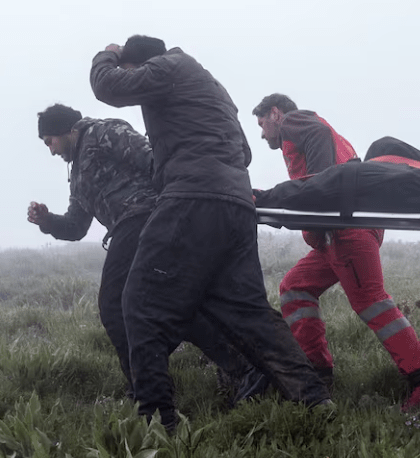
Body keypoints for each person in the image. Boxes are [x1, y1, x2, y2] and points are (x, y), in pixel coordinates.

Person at [90, 36, 330, 431]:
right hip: (235, 204)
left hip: (191, 199)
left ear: (142, 63)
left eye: (135, 74)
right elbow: (245, 152)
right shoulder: (211, 87)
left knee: (138, 303)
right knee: (249, 311)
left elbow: (108, 87)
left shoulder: (167, 67)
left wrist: (109, 55)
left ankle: (157, 421)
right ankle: (315, 398)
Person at [28, 104, 257, 402]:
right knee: (172, 306)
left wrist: (180, 209)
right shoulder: (77, 175)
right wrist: (47, 221)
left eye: (50, 141)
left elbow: (154, 161)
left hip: (147, 217)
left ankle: (143, 388)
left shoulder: (103, 131)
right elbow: (75, 227)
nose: (51, 150)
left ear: (66, 130)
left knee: (113, 305)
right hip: (130, 226)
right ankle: (239, 366)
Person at [251, 93, 420, 412]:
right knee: (295, 287)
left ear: (276, 114)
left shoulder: (297, 123)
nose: (262, 133)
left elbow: (320, 179)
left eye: (262, 123)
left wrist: (311, 186)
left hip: (347, 232)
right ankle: (317, 374)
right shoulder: (321, 135)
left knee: (371, 301)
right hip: (339, 234)